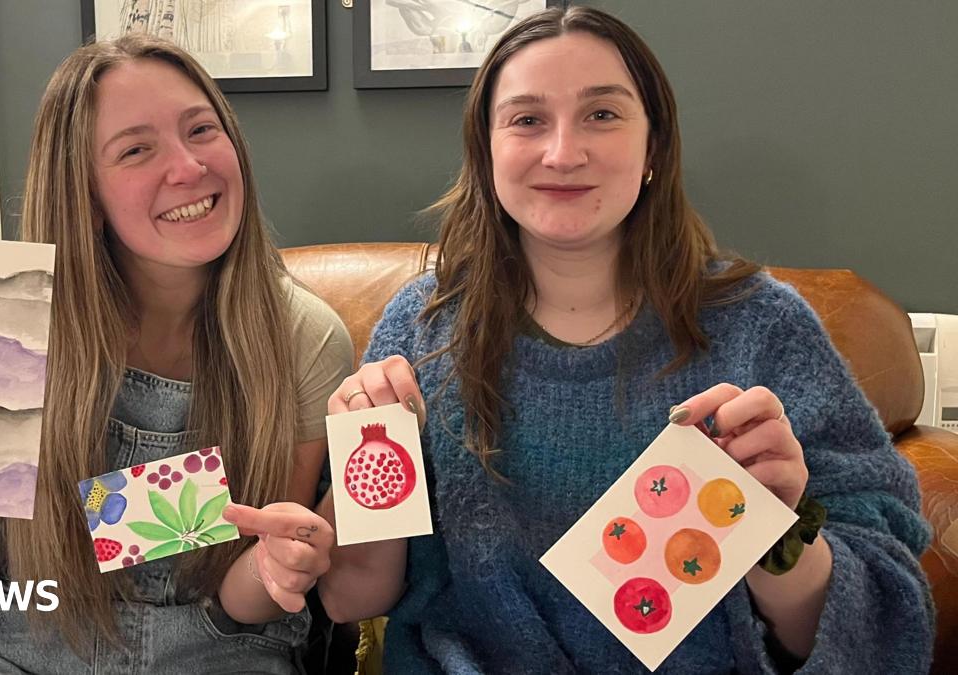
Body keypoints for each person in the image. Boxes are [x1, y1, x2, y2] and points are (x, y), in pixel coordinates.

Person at [315, 6, 934, 673]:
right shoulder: (422, 328)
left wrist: (776, 533)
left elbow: (885, 628)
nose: (563, 153)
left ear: (654, 147)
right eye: (527, 120)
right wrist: (362, 463)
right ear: (486, 150)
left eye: (602, 114)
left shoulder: (763, 327)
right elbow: (351, 597)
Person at [0, 35, 353, 674]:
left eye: (201, 130)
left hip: (215, 648)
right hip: (13, 646)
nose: (188, 167)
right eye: (136, 149)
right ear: (85, 194)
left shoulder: (303, 337)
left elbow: (245, 585)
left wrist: (278, 559)